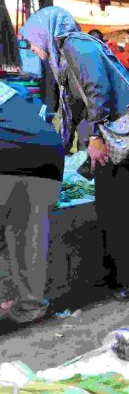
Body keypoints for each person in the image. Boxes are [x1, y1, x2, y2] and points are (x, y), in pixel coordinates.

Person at [20, 7, 129, 302]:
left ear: (45, 31)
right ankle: (122, 273)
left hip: (126, 141)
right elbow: (72, 105)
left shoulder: (75, 45)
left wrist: (95, 135)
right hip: (114, 140)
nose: (31, 47)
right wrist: (59, 148)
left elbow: (98, 90)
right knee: (112, 207)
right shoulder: (64, 56)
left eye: (32, 40)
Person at [0, 75, 63, 323]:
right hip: (47, 156)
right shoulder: (11, 89)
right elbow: (44, 114)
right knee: (28, 235)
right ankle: (30, 307)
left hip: (9, 155)